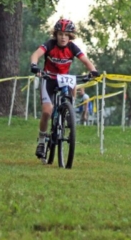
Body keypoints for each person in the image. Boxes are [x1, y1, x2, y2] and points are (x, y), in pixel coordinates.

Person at [29, 18, 99, 160]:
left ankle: (69, 112)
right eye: (60, 34)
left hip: (63, 80)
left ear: (70, 36)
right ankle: (42, 140)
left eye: (66, 34)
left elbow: (85, 60)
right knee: (47, 112)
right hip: (48, 79)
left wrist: (93, 71)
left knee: (72, 86)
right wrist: (34, 66)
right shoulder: (50, 45)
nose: (63, 37)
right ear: (56, 35)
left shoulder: (72, 47)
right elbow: (36, 54)